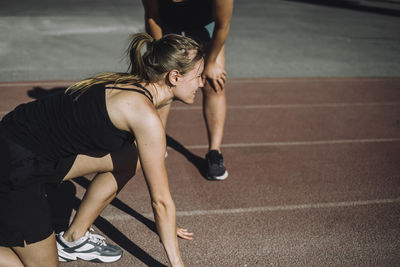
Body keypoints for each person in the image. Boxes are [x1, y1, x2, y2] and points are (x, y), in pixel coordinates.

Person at [0, 32, 204, 267]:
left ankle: (73, 238)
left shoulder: (133, 86)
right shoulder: (143, 115)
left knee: (132, 158)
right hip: (16, 165)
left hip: (25, 142)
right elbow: (161, 202)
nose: (201, 83)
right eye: (198, 76)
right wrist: (178, 263)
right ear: (175, 76)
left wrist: (168, 225)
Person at [142, 0, 234, 180]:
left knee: (214, 82)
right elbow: (152, 16)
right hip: (165, 24)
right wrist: (163, 56)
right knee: (162, 80)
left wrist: (211, 62)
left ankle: (214, 153)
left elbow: (223, 26)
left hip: (205, 25)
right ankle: (156, 143)